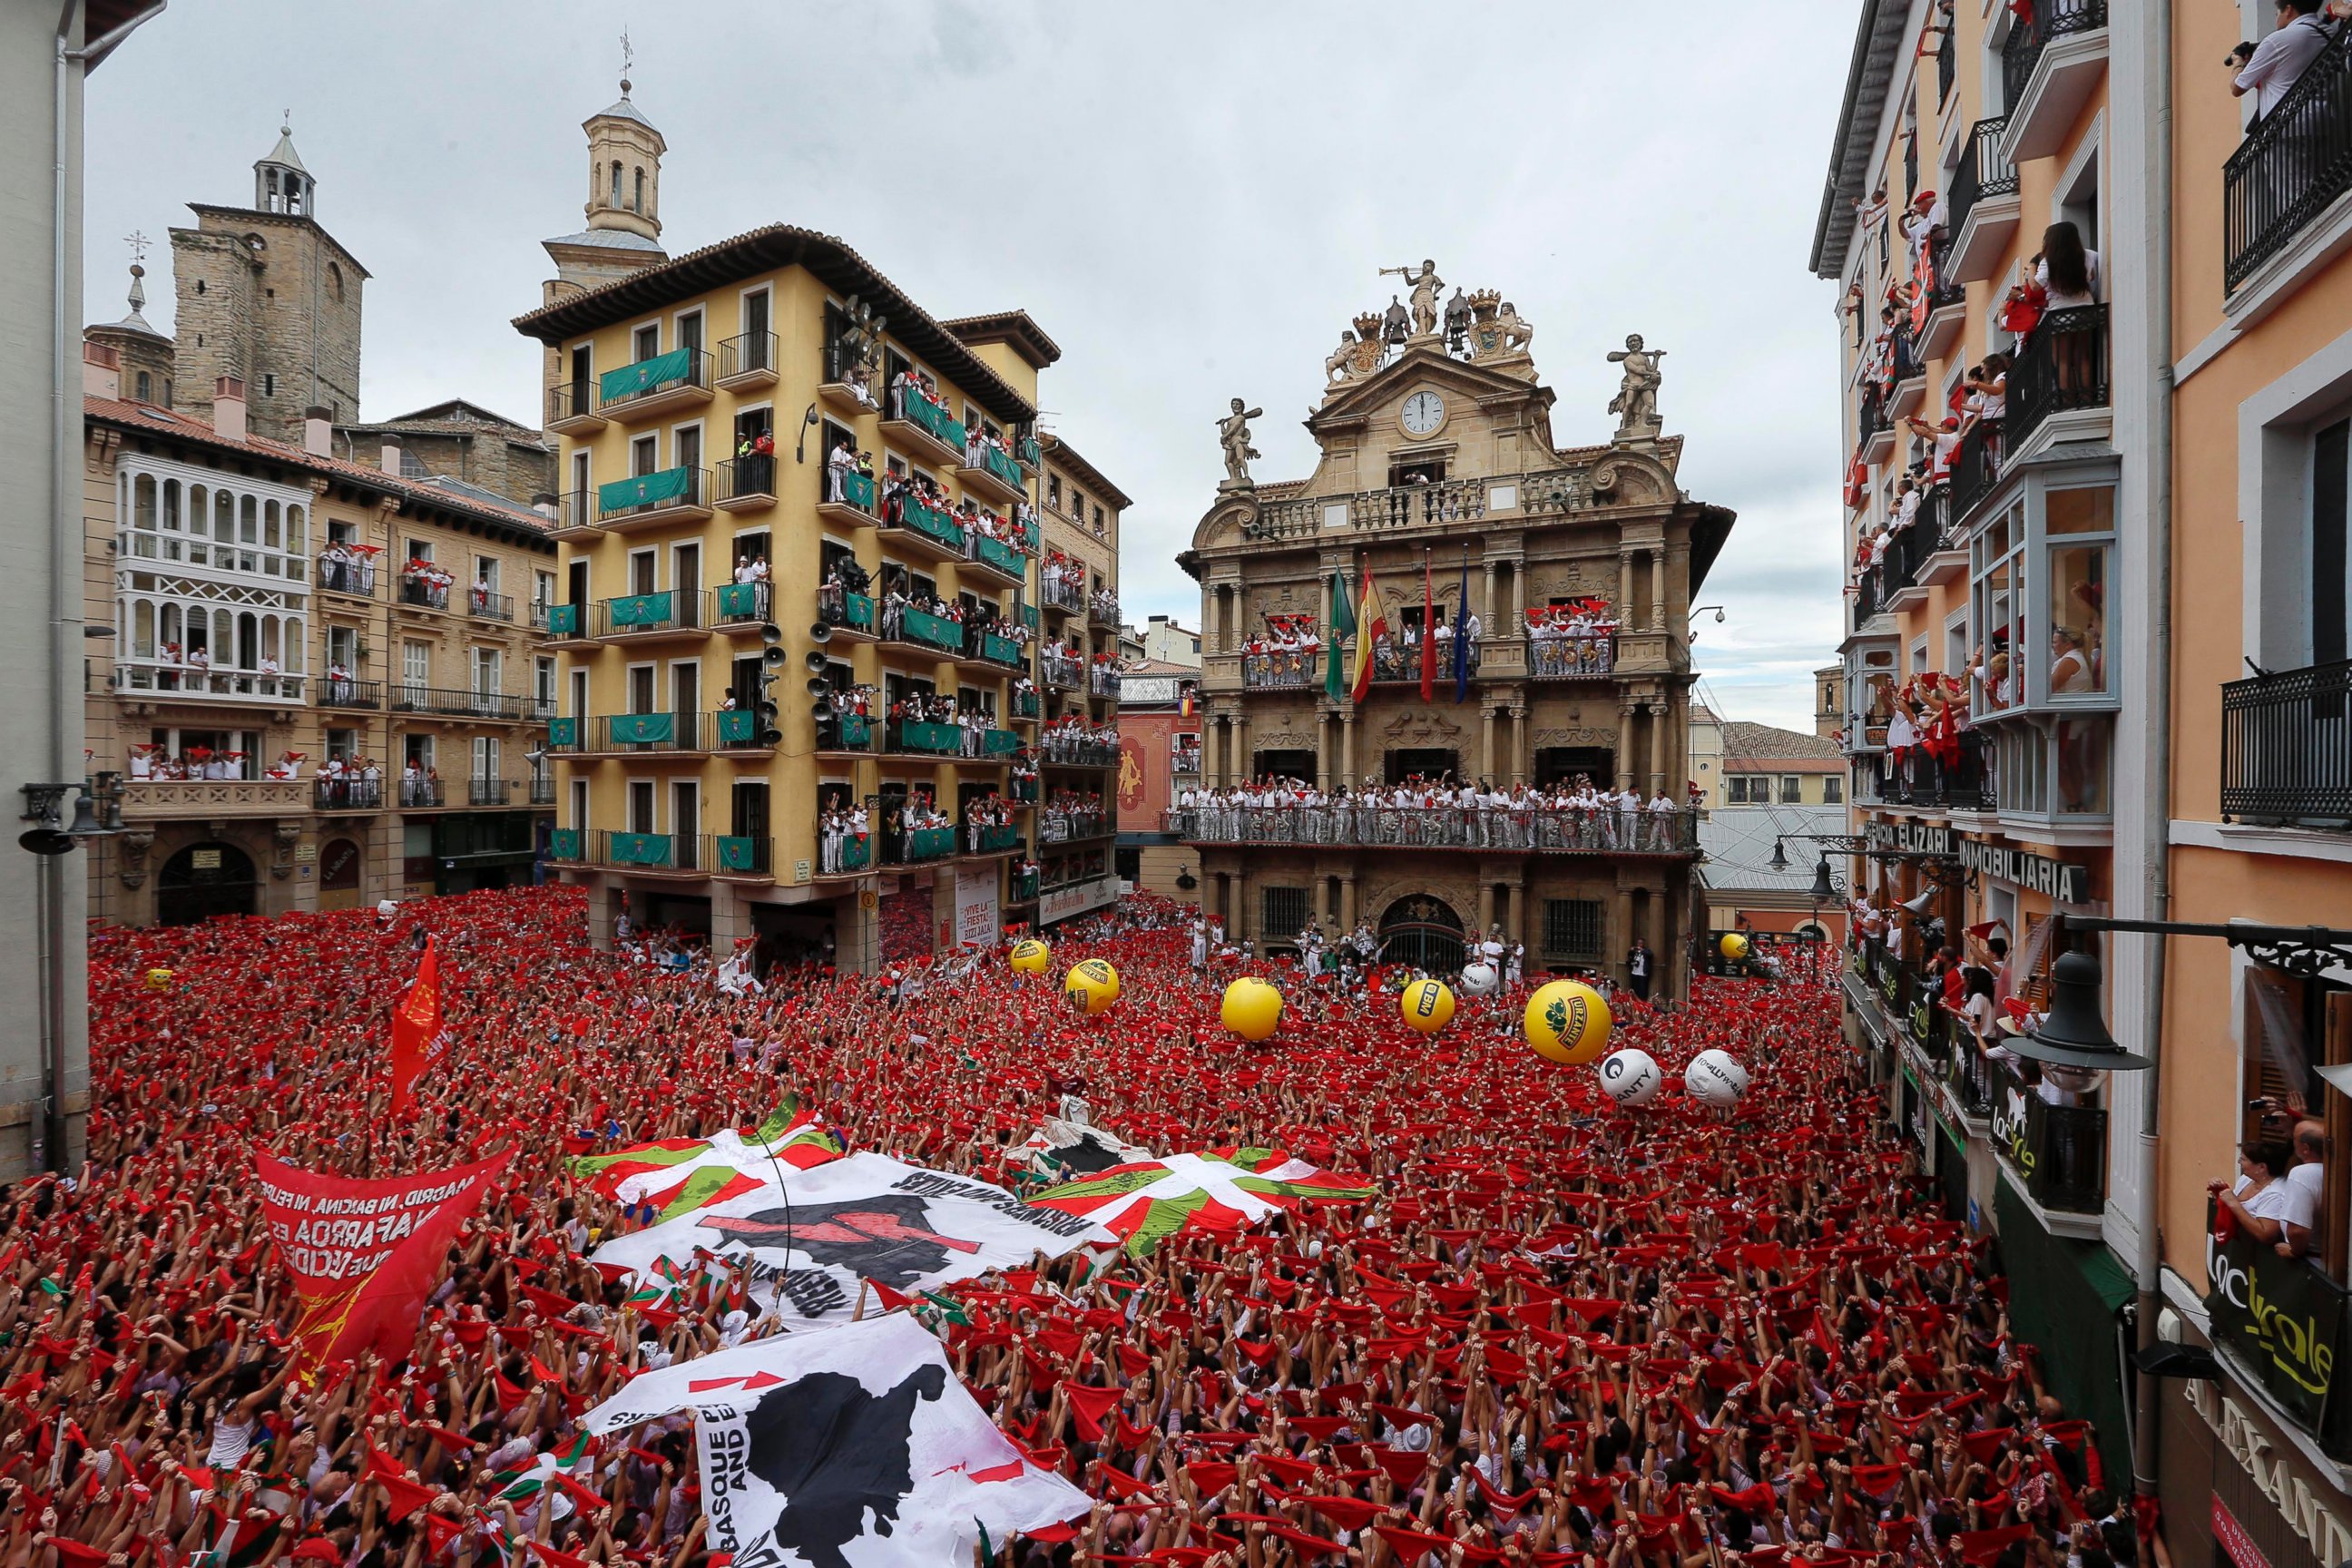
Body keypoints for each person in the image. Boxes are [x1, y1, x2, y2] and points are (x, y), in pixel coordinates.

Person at [2232, 0, 2332, 122]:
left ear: (2289, 10)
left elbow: (2237, 88)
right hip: (2324, 122)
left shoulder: (2275, 41)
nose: (2276, 17)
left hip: (2287, 127)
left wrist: (2238, 63)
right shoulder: (2330, 33)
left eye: (2278, 12)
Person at [1627, 936, 1653, 1002]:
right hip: (1634, 972)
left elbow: (1650, 954)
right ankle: (1634, 1001)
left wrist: (1642, 950)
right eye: (1638, 943)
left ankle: (1642, 1002)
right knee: (1635, 988)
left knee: (1642, 990)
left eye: (1641, 943)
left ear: (1644, 944)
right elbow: (1629, 955)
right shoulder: (1635, 951)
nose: (1639, 944)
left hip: (1642, 973)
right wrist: (1631, 950)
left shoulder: (1646, 950)